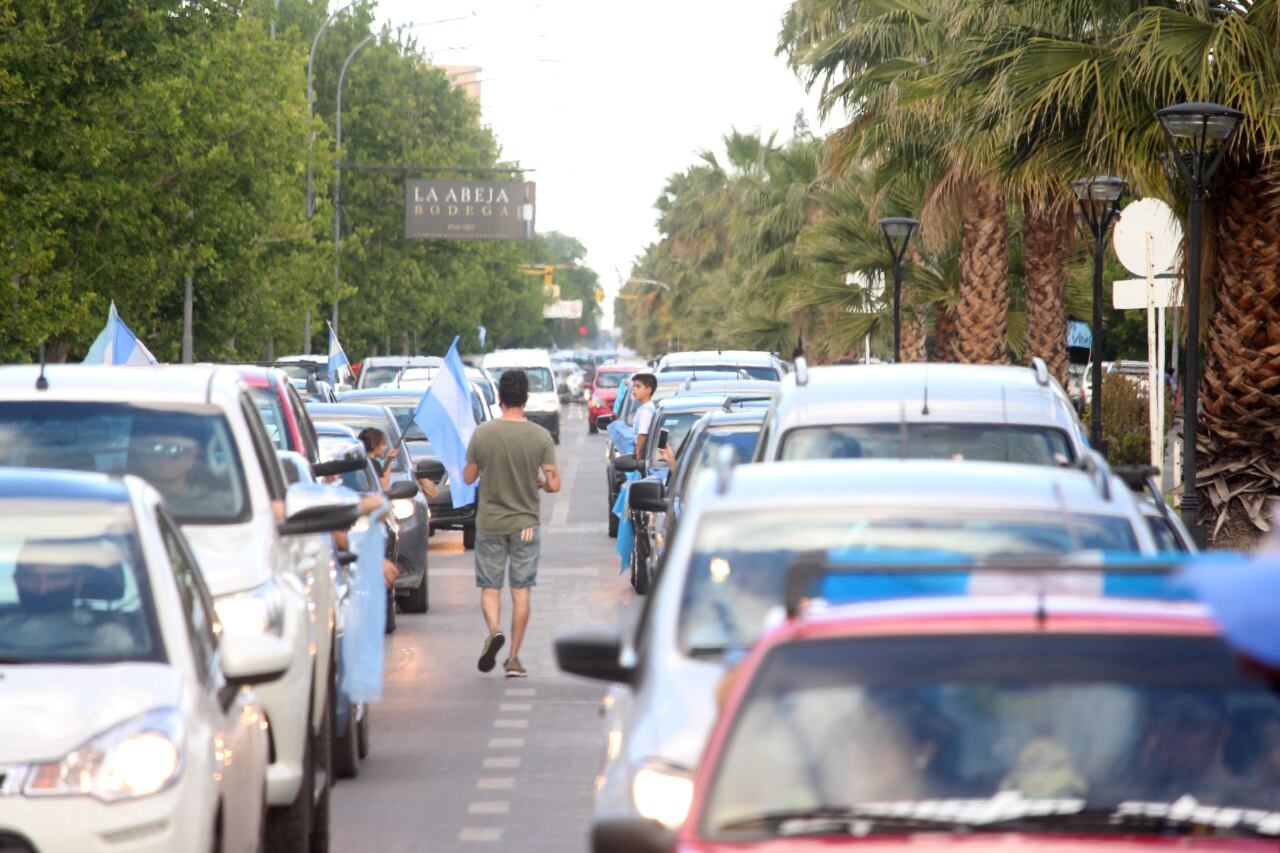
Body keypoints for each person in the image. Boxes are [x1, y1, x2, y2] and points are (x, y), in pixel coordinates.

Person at [463, 369, 561, 677]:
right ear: (526, 398)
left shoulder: (483, 433)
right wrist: (540, 483)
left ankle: (494, 630)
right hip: (526, 525)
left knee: (490, 587)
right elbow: (554, 484)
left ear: (500, 398)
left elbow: (468, 478)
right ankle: (514, 658)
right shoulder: (540, 436)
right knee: (522, 590)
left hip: (490, 523)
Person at [0, 549, 135, 655]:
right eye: (30, 577)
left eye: (56, 577)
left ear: (78, 582)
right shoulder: (4, 624)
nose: (43, 588)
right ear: (16, 580)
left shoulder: (107, 634)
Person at [358, 427, 396, 492]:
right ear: (373, 444)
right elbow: (384, 486)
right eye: (383, 444)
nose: (386, 447)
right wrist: (389, 460)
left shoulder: (357, 461)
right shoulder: (373, 463)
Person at [631, 373, 658, 456]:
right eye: (634, 386)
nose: (634, 390)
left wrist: (638, 454)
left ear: (648, 390)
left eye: (638, 387)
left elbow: (642, 434)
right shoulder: (648, 406)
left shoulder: (645, 411)